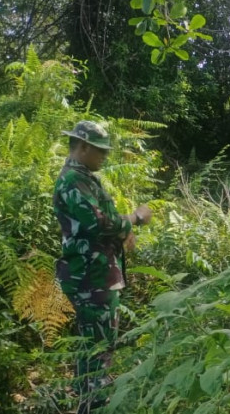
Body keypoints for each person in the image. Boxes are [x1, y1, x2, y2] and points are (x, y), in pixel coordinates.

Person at [53, 121, 152, 413]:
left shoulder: (83, 178)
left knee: (96, 344)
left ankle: (91, 402)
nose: (104, 157)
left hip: (97, 275)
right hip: (90, 277)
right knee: (98, 347)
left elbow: (102, 219)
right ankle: (92, 405)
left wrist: (123, 230)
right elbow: (99, 223)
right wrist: (134, 218)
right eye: (100, 151)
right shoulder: (73, 180)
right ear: (82, 147)